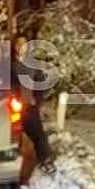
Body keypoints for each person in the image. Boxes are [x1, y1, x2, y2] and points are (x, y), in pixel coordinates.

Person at [14, 34, 55, 176]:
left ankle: (46, 160)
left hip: (30, 107)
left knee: (38, 134)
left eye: (24, 44)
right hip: (11, 106)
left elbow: (42, 84)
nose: (21, 47)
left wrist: (36, 100)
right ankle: (17, 170)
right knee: (13, 138)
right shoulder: (8, 64)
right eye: (18, 44)